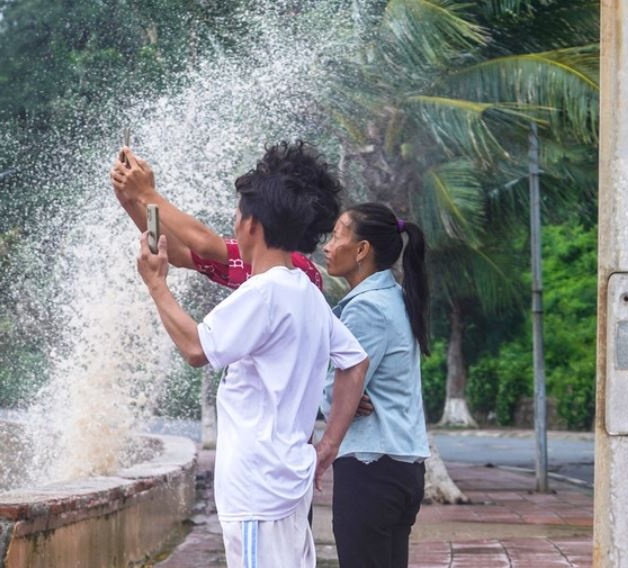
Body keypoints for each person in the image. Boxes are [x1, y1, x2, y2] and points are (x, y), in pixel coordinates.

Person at [132, 141, 369, 567]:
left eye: (237, 216)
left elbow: (194, 347)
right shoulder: (305, 292)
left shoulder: (265, 292)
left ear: (253, 225)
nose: (234, 224)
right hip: (286, 480)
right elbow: (355, 362)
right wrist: (327, 447)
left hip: (258, 490)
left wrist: (156, 284)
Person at [319, 202, 431, 568]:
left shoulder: (366, 308)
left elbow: (339, 391)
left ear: (362, 250)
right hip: (401, 464)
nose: (327, 246)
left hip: (372, 466)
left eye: (337, 235)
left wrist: (338, 392)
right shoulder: (394, 298)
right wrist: (348, 392)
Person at [109, 143, 336, 291]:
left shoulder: (294, 268)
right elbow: (179, 253)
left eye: (243, 213)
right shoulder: (270, 268)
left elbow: (205, 245)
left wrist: (147, 194)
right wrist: (130, 200)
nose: (237, 220)